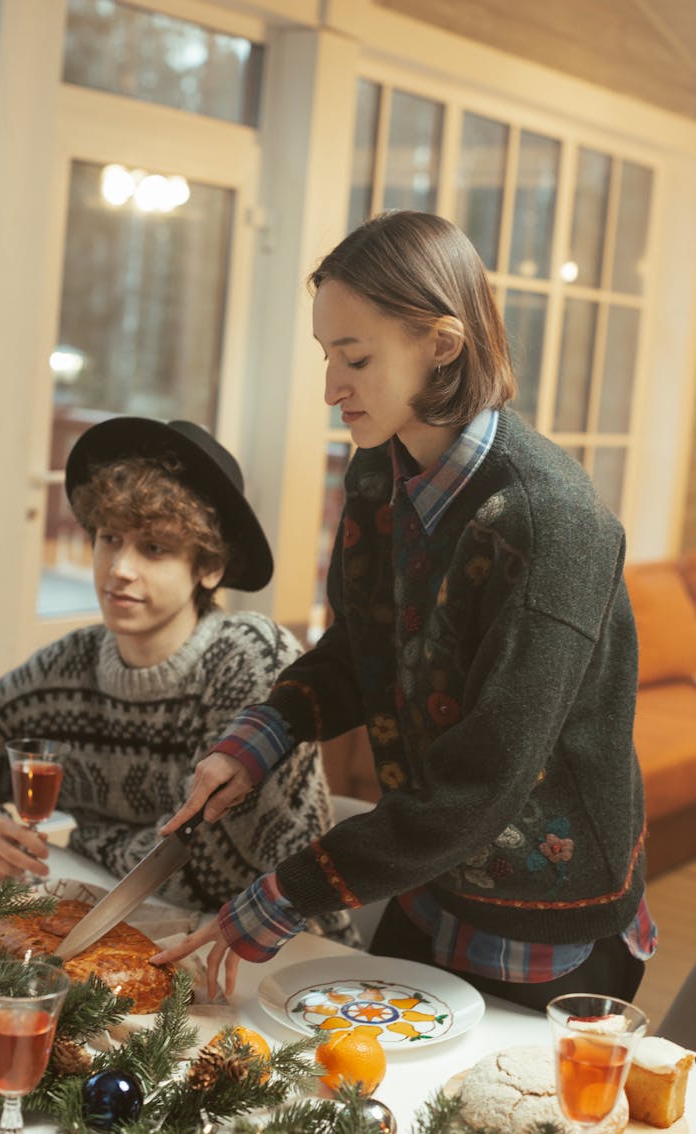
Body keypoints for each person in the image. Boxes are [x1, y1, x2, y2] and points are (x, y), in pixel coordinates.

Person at [153, 211, 657, 1008]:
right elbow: (360, 651)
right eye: (327, 356)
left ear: (443, 345)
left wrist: (281, 896)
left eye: (355, 358)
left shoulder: (551, 520)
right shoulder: (377, 473)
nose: (330, 388)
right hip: (428, 871)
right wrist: (252, 744)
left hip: (543, 915)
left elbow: (484, 782)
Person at [0, 416, 353, 946]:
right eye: (110, 539)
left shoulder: (249, 658)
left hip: (282, 958)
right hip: (120, 940)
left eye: (154, 549)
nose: (119, 568)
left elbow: (211, 874)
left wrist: (87, 839)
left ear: (209, 568)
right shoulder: (65, 669)